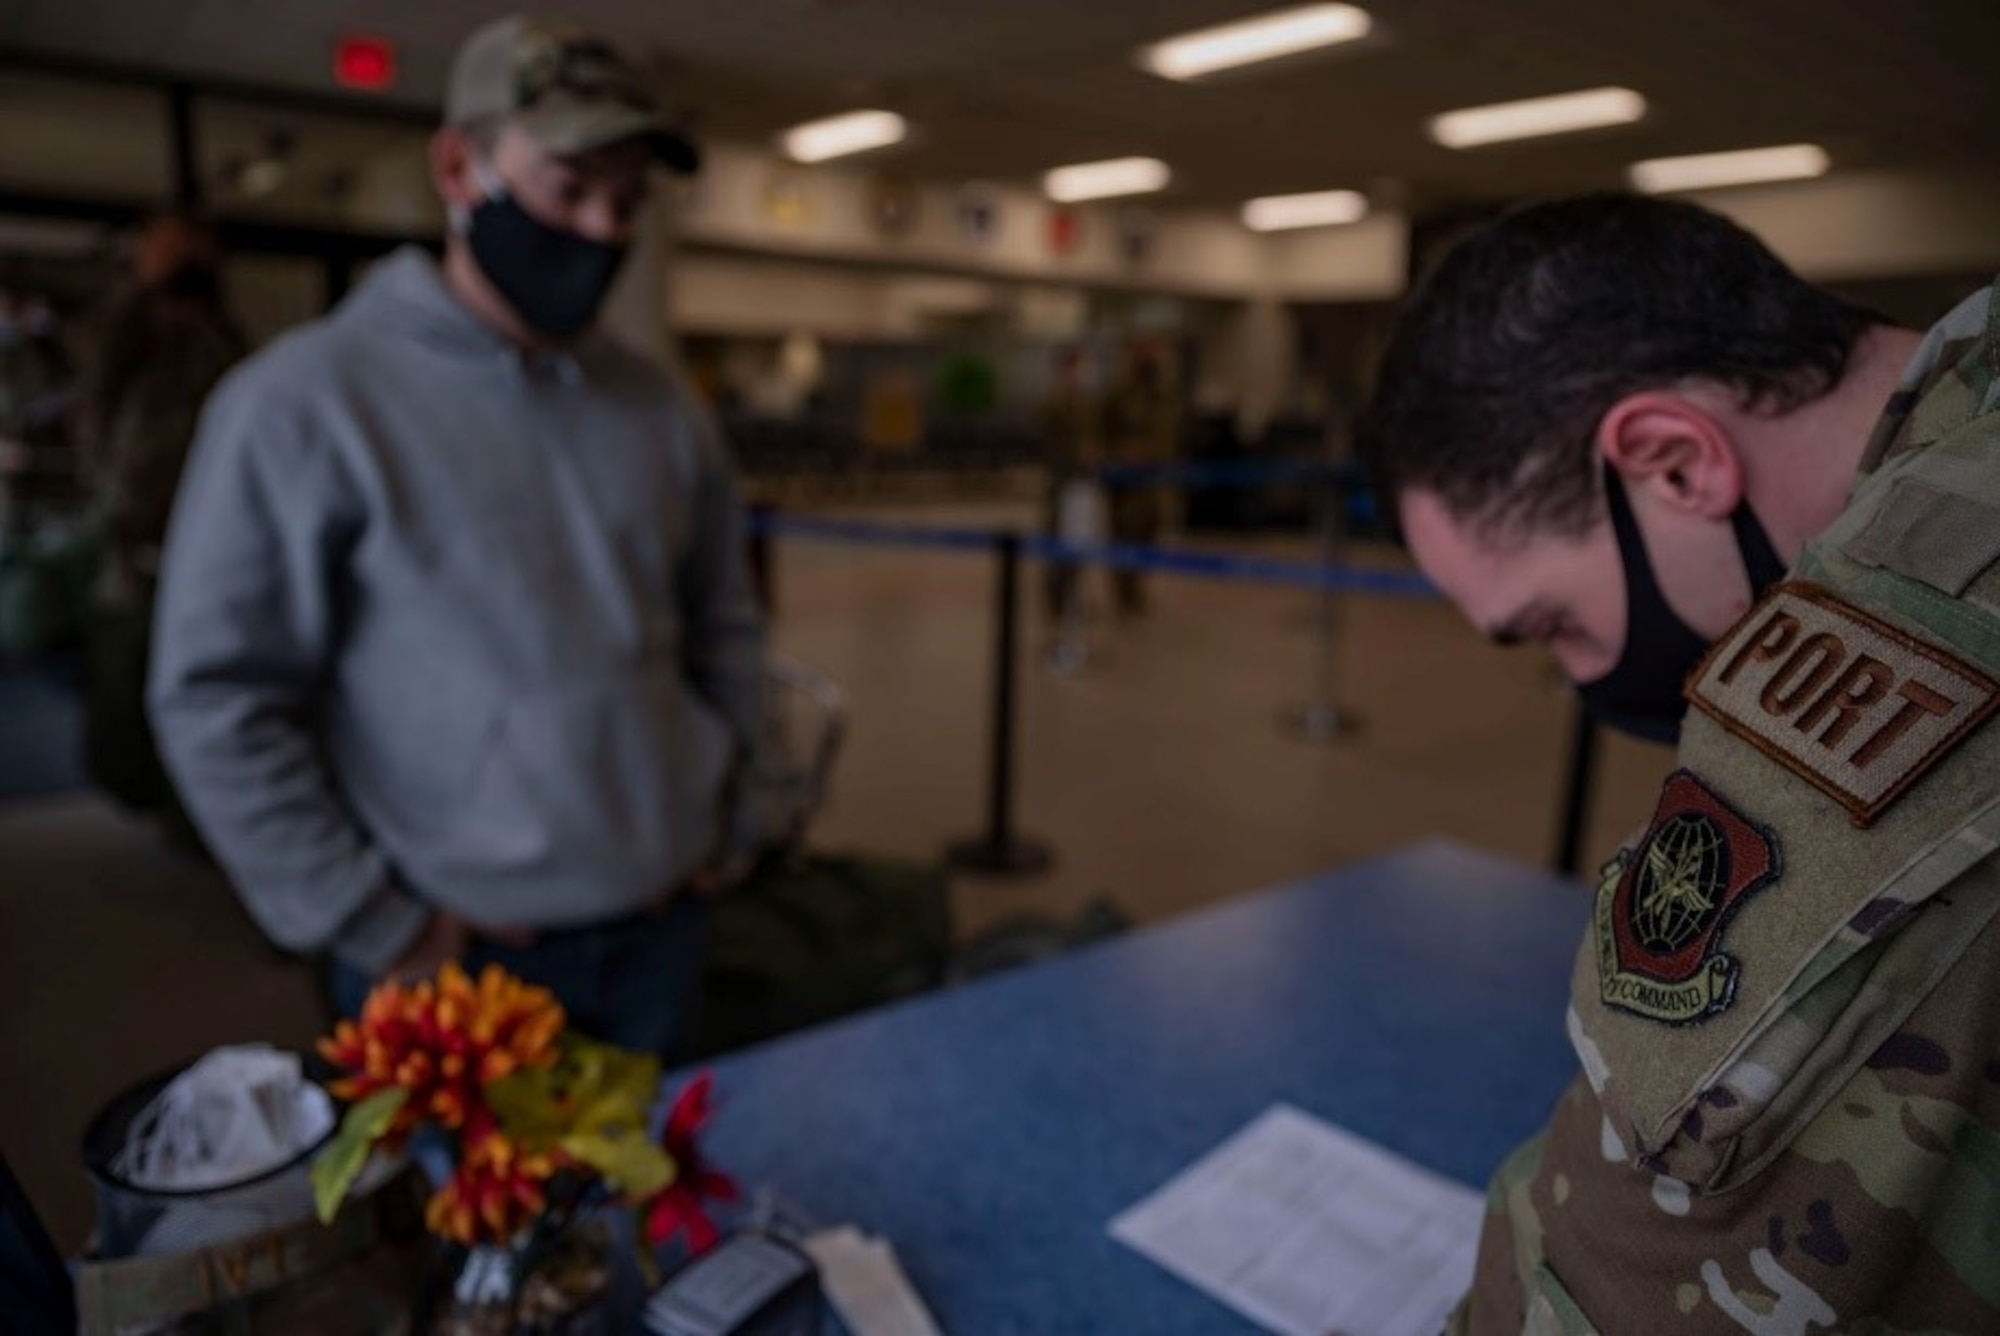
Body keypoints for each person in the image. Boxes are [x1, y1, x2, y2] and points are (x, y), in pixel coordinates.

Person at [1357, 193, 2000, 1331]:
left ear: (1670, 462)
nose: (1575, 676)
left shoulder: (1926, 605)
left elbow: (1628, 1268)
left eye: (1551, 622)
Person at [149, 15, 766, 1060]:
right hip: (458, 951)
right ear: (457, 166)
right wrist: (376, 920)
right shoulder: (305, 404)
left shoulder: (661, 406)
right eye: (569, 188)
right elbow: (217, 696)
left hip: (665, 918)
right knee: (462, 1220)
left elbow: (726, 624)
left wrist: (729, 817)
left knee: (649, 1206)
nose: (604, 231)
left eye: (627, 201)